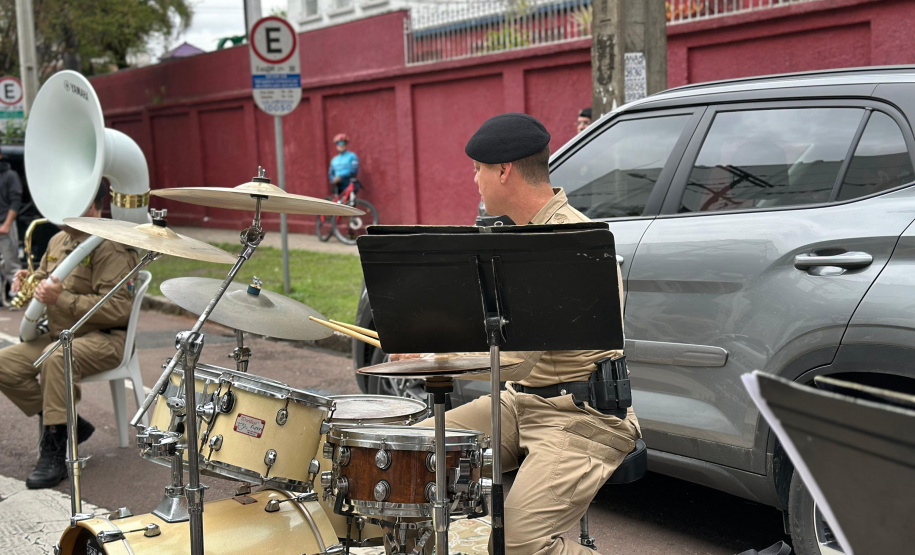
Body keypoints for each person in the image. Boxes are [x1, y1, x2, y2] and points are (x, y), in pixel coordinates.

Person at [400, 113, 640, 554]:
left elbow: (517, 357)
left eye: (478, 170)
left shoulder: (569, 243)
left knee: (520, 544)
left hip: (582, 415)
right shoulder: (518, 236)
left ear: (504, 171)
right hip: (522, 401)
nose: (474, 180)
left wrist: (436, 359)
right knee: (409, 457)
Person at [0, 185, 138, 489]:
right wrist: (30, 280)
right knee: (4, 364)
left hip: (104, 339)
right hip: (58, 335)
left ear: (91, 206)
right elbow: (49, 278)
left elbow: (118, 309)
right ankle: (69, 425)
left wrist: (60, 298)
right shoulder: (59, 239)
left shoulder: (112, 247)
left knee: (55, 359)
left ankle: (54, 453)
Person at [0, 145, 23, 304]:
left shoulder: (10, 175)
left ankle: (17, 297)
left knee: (11, 263)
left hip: (5, 224)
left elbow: (16, 201)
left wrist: (7, 224)